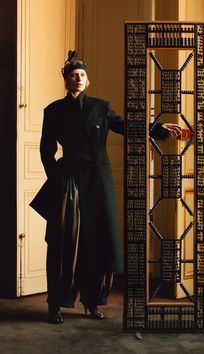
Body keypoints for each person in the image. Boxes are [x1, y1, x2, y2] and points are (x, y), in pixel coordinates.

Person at [30, 50, 181, 324]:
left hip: (99, 182)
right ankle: (56, 304)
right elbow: (45, 150)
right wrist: (57, 179)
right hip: (69, 183)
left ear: (88, 81)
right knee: (63, 243)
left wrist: (157, 129)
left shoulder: (100, 107)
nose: (77, 79)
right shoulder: (53, 111)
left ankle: (92, 302)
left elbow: (127, 125)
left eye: (82, 75)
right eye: (73, 75)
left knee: (97, 243)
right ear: (65, 80)